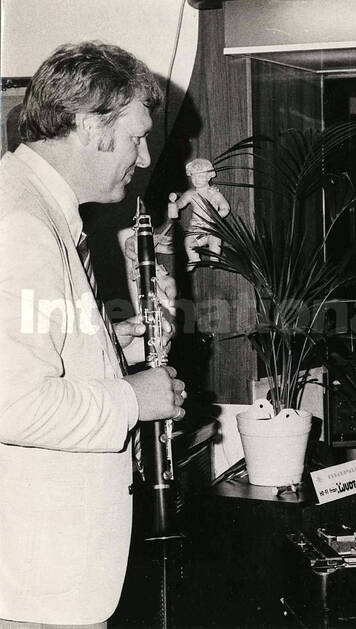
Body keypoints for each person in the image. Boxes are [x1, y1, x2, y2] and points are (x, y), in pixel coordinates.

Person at [0, 42, 186, 626]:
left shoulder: (31, 203)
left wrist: (111, 346)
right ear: (88, 125)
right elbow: (12, 402)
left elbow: (34, 343)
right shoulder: (23, 225)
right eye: (136, 137)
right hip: (35, 588)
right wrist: (135, 397)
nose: (146, 154)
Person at [168, 157, 231, 270]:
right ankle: (194, 259)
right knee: (188, 242)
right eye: (194, 176)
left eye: (200, 176)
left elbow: (225, 208)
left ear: (209, 176)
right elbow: (181, 202)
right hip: (196, 227)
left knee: (215, 240)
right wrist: (175, 205)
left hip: (212, 226)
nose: (197, 179)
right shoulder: (191, 194)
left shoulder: (214, 193)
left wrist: (216, 217)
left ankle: (214, 259)